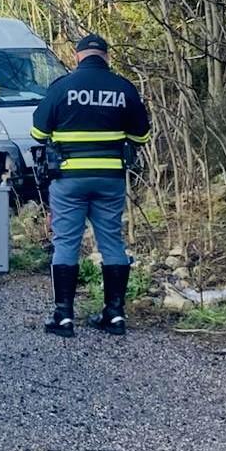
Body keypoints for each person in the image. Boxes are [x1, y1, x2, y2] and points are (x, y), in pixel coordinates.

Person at [31, 34, 151, 338]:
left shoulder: (62, 87)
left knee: (66, 243)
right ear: (106, 57)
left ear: (77, 56)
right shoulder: (124, 88)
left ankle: (64, 317)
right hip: (110, 178)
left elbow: (37, 131)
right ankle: (114, 315)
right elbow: (141, 137)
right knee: (112, 242)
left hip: (69, 179)